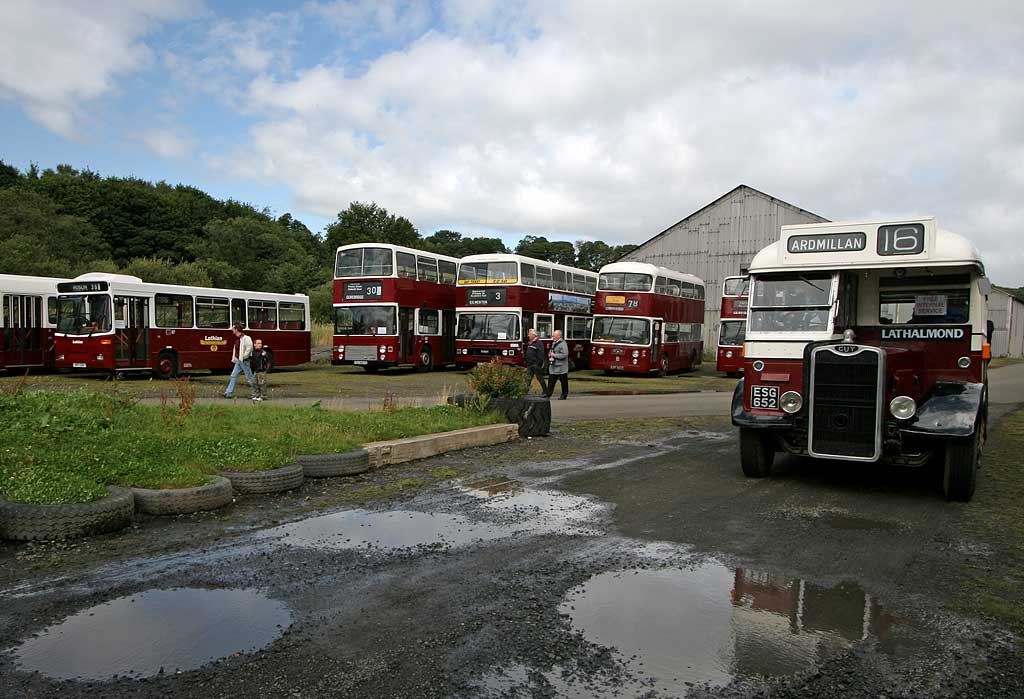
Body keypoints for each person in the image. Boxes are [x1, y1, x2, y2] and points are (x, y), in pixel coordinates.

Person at [223, 322, 255, 399]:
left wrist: (244, 357)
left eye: (233, 328)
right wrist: (235, 358)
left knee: (249, 378)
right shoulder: (238, 338)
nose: (232, 329)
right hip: (239, 361)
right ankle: (228, 393)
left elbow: (249, 348)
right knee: (233, 376)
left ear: (236, 329)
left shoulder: (246, 338)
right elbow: (236, 349)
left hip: (244, 361)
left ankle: (256, 393)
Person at [544, 329, 570, 400]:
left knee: (564, 382)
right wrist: (550, 354)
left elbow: (565, 354)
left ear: (559, 336)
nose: (553, 336)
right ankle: (548, 394)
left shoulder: (563, 344)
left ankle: (564, 395)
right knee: (551, 381)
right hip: (553, 366)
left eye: (554, 335)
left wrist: (554, 355)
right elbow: (553, 351)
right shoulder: (554, 343)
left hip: (561, 367)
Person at [523, 328, 546, 393]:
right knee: (528, 378)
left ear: (534, 335)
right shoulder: (530, 343)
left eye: (529, 334)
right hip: (529, 364)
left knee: (540, 378)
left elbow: (541, 354)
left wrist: (538, 363)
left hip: (535, 364)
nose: (528, 335)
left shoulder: (538, 342)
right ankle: (525, 391)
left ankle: (545, 391)